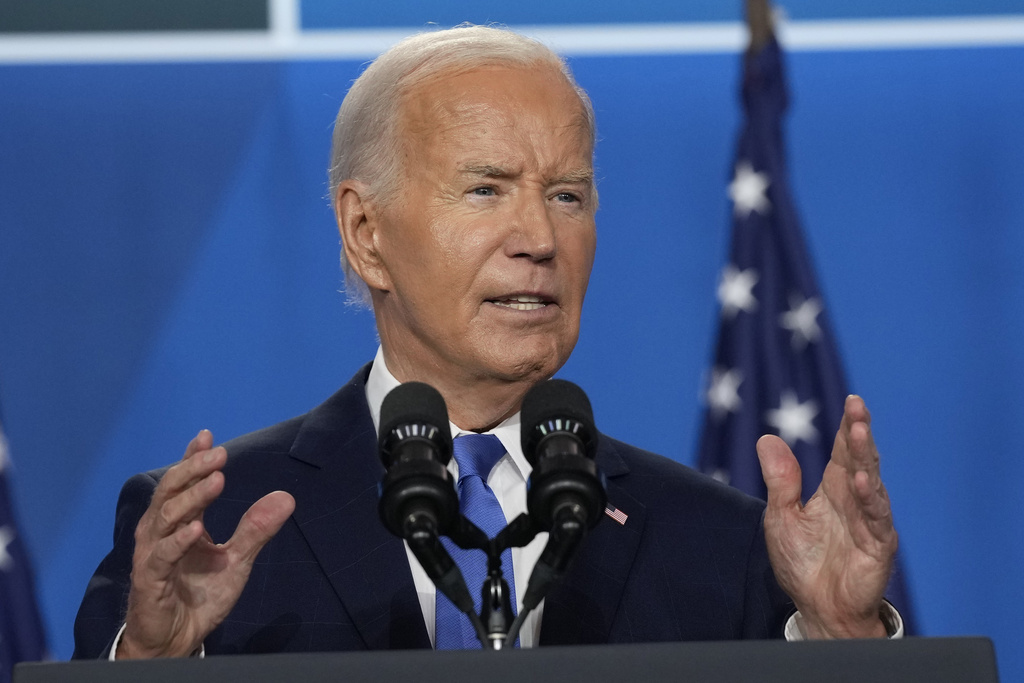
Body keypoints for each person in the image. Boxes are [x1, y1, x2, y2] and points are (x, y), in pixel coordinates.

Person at [73, 25, 899, 659]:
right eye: (485, 189)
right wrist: (151, 663)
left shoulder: (721, 542)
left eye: (568, 194)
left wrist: (842, 637)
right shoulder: (212, 534)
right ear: (365, 232)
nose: (539, 236)